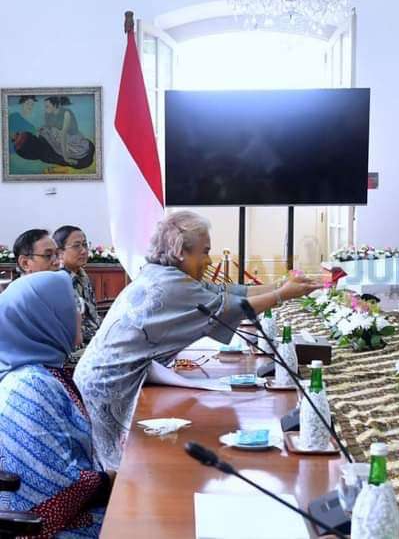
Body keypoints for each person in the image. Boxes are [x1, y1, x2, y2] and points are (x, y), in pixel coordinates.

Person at [74, 211, 321, 469]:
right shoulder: (171, 286)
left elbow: (226, 292)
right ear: (181, 251)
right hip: (108, 385)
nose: (209, 260)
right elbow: (227, 307)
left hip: (103, 379)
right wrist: (282, 295)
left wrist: (281, 286)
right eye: (205, 252)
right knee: (119, 467)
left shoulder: (165, 275)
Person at [0, 271, 111, 537]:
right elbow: (52, 487)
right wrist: (111, 480)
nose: (80, 314)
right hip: (49, 528)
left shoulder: (42, 372)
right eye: (72, 307)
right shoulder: (32, 385)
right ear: (45, 318)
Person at [54, 225, 100, 347]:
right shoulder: (59, 281)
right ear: (60, 252)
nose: (84, 251)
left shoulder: (82, 275)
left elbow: (92, 314)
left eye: (85, 244)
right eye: (76, 246)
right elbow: (69, 326)